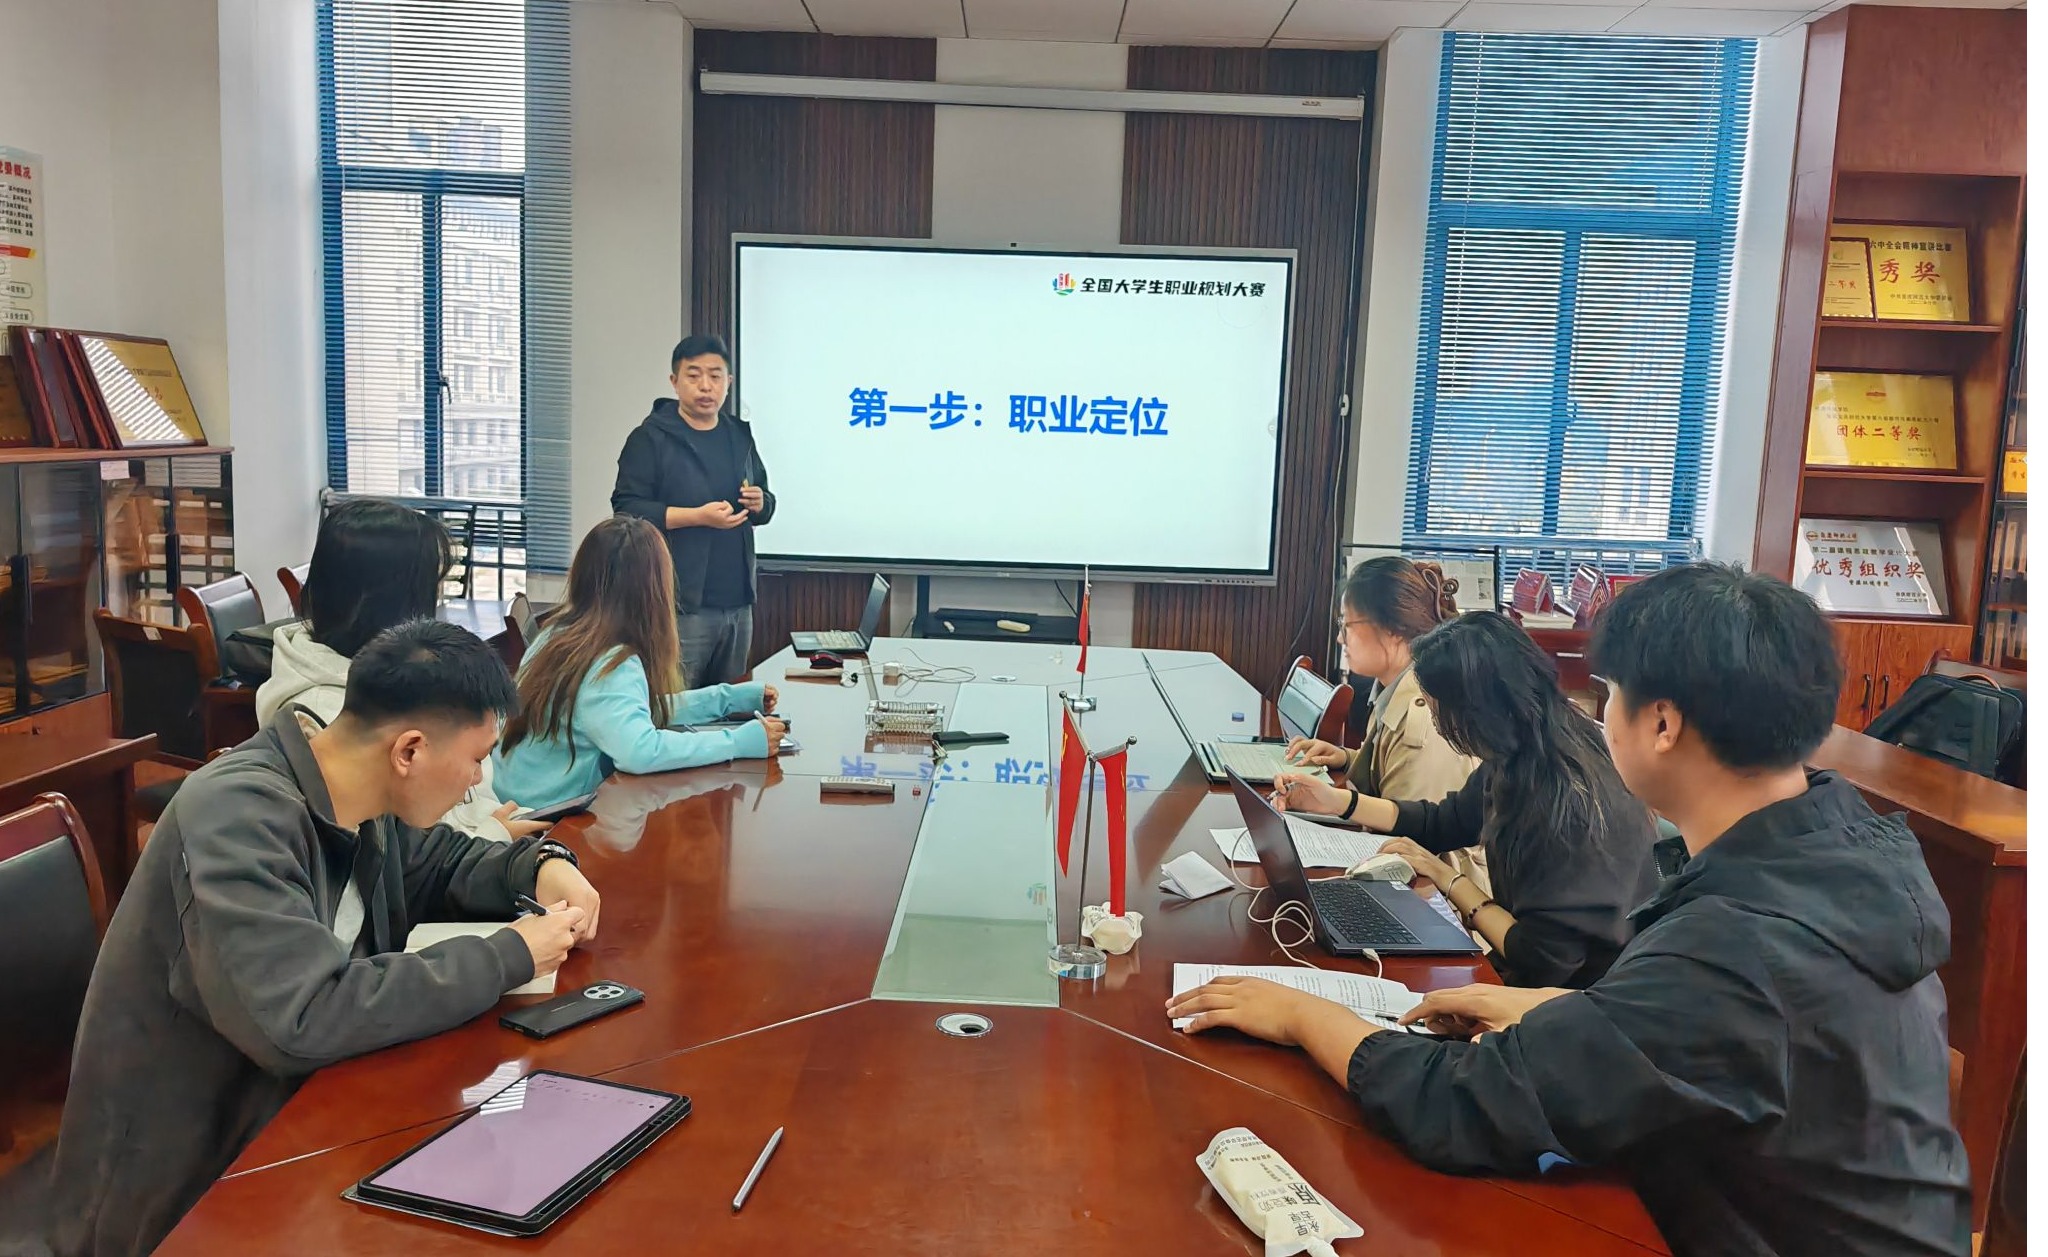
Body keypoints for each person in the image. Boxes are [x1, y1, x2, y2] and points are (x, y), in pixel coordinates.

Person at [1170, 563, 1970, 1256]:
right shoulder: (1841, 850)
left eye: (1610, 692)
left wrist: (1302, 1011)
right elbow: (1739, 1040)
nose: (1598, 713)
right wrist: (1554, 1006)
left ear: (1663, 723)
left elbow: (1456, 1102)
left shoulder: (1733, 949)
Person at [35, 621, 602, 1257]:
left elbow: (443, 863)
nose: (478, 781)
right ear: (409, 752)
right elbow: (300, 1019)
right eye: (476, 758)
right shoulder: (237, 814)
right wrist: (511, 953)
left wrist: (541, 864)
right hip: (183, 1184)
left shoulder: (358, 796)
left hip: (293, 1124)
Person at [1273, 611, 1658, 988]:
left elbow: (1541, 957)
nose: (1437, 724)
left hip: (1571, 997)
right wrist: (1337, 803)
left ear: (1473, 711)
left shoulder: (1563, 801)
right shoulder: (1526, 746)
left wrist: (1449, 879)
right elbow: (1444, 822)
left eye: (1438, 710)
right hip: (1533, 972)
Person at [256, 498, 537, 842]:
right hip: (455, 856)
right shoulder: (325, 713)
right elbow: (402, 850)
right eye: (431, 587)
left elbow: (466, 799)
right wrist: (495, 837)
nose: (435, 602)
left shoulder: (402, 673)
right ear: (398, 598)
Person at [493, 515, 786, 813]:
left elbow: (635, 713)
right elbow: (640, 751)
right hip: (550, 820)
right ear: (654, 591)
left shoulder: (556, 634)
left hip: (513, 804)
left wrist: (727, 699)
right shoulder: (611, 662)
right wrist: (738, 743)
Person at [1280, 556, 1485, 892]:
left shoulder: (1424, 716)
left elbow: (1415, 840)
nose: (1340, 639)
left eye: (1346, 625)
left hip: (1438, 897)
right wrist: (1346, 757)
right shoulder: (1397, 685)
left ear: (1391, 631)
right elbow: (1391, 767)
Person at [611, 333, 775, 686]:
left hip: (738, 601)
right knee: (679, 703)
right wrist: (697, 517)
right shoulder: (650, 438)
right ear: (675, 381)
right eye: (694, 375)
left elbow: (766, 500)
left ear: (728, 382)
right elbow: (626, 511)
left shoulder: (738, 435)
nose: (705, 386)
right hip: (680, 603)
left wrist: (761, 502)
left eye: (715, 376)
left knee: (730, 703)